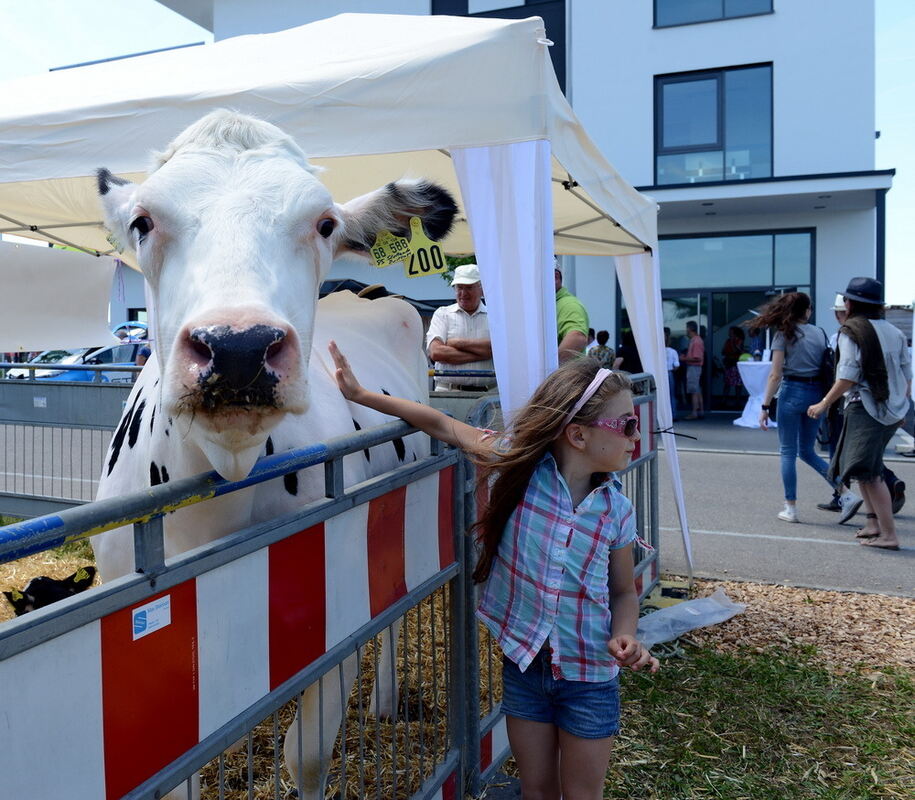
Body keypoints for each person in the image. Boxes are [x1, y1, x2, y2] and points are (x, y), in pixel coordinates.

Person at [328, 342, 659, 798]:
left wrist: (627, 635)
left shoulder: (617, 510)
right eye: (627, 425)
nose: (635, 437)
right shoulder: (517, 466)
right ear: (578, 436)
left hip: (590, 677)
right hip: (525, 667)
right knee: (536, 790)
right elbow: (443, 424)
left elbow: (623, 590)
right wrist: (361, 395)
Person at [808, 278, 911, 550]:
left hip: (866, 407)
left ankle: (889, 535)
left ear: (851, 304)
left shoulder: (851, 332)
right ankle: (873, 523)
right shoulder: (893, 331)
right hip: (891, 407)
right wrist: (900, 406)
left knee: (870, 473)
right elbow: (906, 373)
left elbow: (848, 376)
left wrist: (824, 403)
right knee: (862, 468)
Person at [754, 292, 859, 524]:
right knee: (808, 451)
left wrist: (765, 405)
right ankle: (845, 493)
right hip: (817, 393)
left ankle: (790, 508)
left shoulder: (783, 333)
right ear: (807, 311)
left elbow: (775, 374)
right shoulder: (819, 333)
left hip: (792, 392)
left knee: (788, 451)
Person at [426, 263, 495, 391]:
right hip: (448, 393)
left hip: (487, 393)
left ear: (481, 289)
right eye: (459, 287)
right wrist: (484, 353)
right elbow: (436, 352)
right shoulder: (442, 314)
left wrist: (457, 343)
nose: (463, 293)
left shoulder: (495, 316)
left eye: (469, 287)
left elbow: (497, 349)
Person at [555, 265, 589, 362]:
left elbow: (577, 337)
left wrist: (551, 373)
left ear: (555, 277)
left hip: (567, 376)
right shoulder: (552, 305)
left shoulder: (568, 304)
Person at [681, 320, 705, 419]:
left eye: (687, 328)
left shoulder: (696, 341)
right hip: (694, 368)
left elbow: (697, 358)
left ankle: (694, 412)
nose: (686, 330)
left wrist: (683, 358)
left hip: (694, 368)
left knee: (694, 390)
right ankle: (700, 411)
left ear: (690, 329)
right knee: (697, 389)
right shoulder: (695, 340)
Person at [721, 326, 746, 405]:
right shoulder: (727, 341)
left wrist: (733, 343)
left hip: (736, 364)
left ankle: (738, 401)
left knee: (738, 384)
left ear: (734, 333)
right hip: (729, 364)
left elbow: (737, 351)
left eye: (730, 332)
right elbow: (723, 351)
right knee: (727, 383)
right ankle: (724, 400)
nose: (729, 333)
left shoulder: (739, 341)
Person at [665, 327, 680, 419]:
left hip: (661, 374)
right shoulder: (673, 351)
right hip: (669, 373)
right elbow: (677, 365)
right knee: (671, 395)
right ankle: (673, 415)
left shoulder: (657, 351)